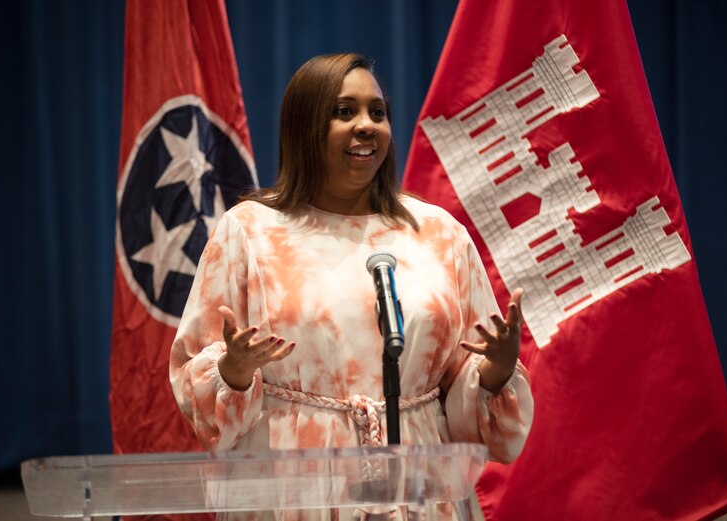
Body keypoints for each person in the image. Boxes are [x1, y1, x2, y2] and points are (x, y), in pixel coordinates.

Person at [170, 53, 533, 520]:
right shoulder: (250, 232)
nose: (367, 126)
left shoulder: (439, 233)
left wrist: (495, 372)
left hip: (419, 490)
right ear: (304, 128)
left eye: (376, 113)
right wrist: (234, 370)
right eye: (344, 112)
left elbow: (467, 404)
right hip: (294, 488)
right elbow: (199, 397)